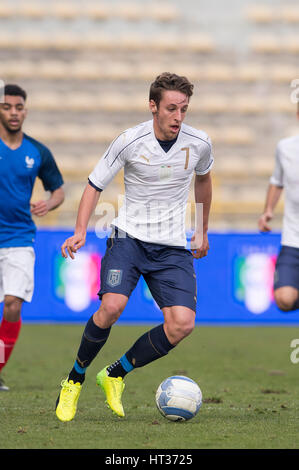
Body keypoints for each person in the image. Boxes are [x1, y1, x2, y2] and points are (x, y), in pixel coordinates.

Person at [55, 72, 213, 422]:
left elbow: (203, 179)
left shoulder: (199, 142)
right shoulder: (129, 140)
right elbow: (94, 185)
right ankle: (74, 379)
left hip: (172, 247)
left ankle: (114, 374)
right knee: (111, 307)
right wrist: (80, 230)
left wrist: (202, 229)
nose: (178, 117)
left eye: (184, 109)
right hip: (128, 238)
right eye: (171, 108)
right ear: (153, 106)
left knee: (181, 325)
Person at [0, 84, 64, 391]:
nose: (13, 112)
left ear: (25, 110)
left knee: (12, 304)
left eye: (18, 107)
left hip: (19, 239)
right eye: (7, 106)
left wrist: (49, 203)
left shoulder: (37, 151)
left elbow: (59, 190)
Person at [258, 101, 299, 313]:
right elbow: (277, 181)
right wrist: (268, 211)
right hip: (293, 239)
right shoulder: (286, 148)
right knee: (284, 299)